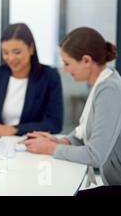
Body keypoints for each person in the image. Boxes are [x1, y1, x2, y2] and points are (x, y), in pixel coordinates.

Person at [21, 27, 121, 186]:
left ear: (87, 61)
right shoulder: (102, 83)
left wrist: (51, 148)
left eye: (67, 63)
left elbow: (95, 155)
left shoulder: (109, 90)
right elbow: (83, 136)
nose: (64, 69)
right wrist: (58, 141)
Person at [0, 23, 63, 140]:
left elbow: (55, 124)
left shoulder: (49, 76)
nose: (11, 58)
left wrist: (15, 129)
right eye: (5, 52)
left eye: (17, 52)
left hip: (33, 146)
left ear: (31, 48)